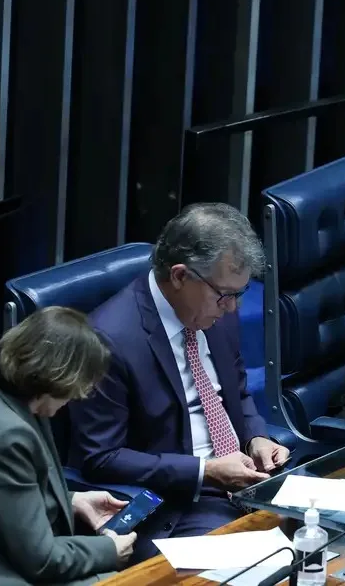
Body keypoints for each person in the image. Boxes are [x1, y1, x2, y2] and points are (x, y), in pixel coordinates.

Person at [68, 203, 289, 563]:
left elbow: (236, 392)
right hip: (181, 504)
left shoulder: (215, 310)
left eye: (240, 294)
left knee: (330, 536)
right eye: (225, 296)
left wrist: (256, 437)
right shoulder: (107, 340)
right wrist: (206, 471)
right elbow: (101, 457)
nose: (233, 308)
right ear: (180, 276)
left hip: (244, 480)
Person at [0, 307, 136, 585]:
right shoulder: (6, 435)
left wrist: (71, 500)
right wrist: (109, 550)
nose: (74, 398)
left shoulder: (2, 392)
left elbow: (4, 495)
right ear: (58, 378)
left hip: (2, 548)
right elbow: (41, 561)